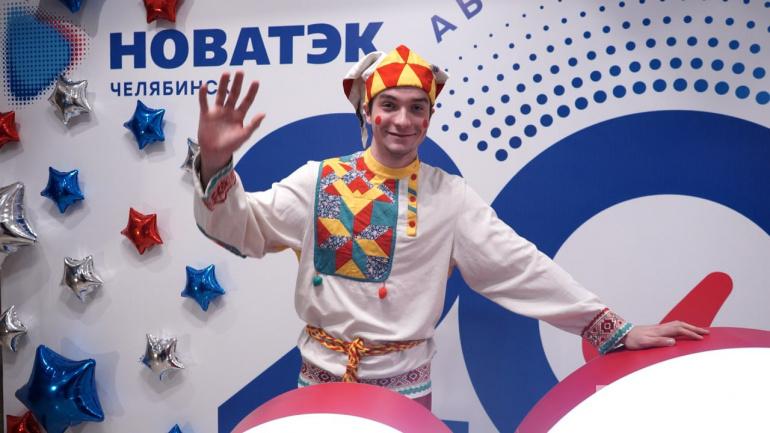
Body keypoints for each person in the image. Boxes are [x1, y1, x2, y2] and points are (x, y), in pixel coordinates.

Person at [192, 45, 708, 410]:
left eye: (417, 108)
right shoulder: (318, 180)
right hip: (319, 383)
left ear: (430, 116)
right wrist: (215, 163)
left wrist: (613, 329)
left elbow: (522, 268)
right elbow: (243, 226)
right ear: (367, 111)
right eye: (389, 105)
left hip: (404, 392)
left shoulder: (449, 197)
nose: (403, 120)